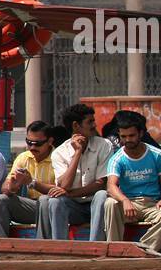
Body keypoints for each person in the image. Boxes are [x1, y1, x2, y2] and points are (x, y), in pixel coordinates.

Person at [103, 111, 161, 255]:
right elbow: (111, 186)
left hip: (152, 204)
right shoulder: (117, 158)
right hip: (129, 205)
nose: (127, 140)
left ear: (141, 133)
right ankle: (114, 252)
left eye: (131, 136)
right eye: (123, 136)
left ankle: (140, 250)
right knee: (110, 204)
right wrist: (125, 200)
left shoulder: (156, 154)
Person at [45, 102, 113, 240]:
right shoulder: (59, 153)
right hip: (74, 208)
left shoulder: (104, 145)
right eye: (90, 122)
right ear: (76, 125)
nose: (94, 125)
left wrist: (70, 194)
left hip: (97, 205)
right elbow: (64, 186)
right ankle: (60, 251)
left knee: (101, 195)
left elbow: (100, 184)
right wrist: (77, 153)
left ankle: (95, 247)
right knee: (54, 202)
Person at [0, 121, 56, 238]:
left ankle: (42, 247)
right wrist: (12, 187)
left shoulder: (59, 157)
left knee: (44, 201)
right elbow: (6, 187)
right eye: (29, 143)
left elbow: (62, 190)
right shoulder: (23, 157)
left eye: (38, 144)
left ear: (50, 141)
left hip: (52, 207)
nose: (32, 147)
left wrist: (32, 183)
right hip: (30, 206)